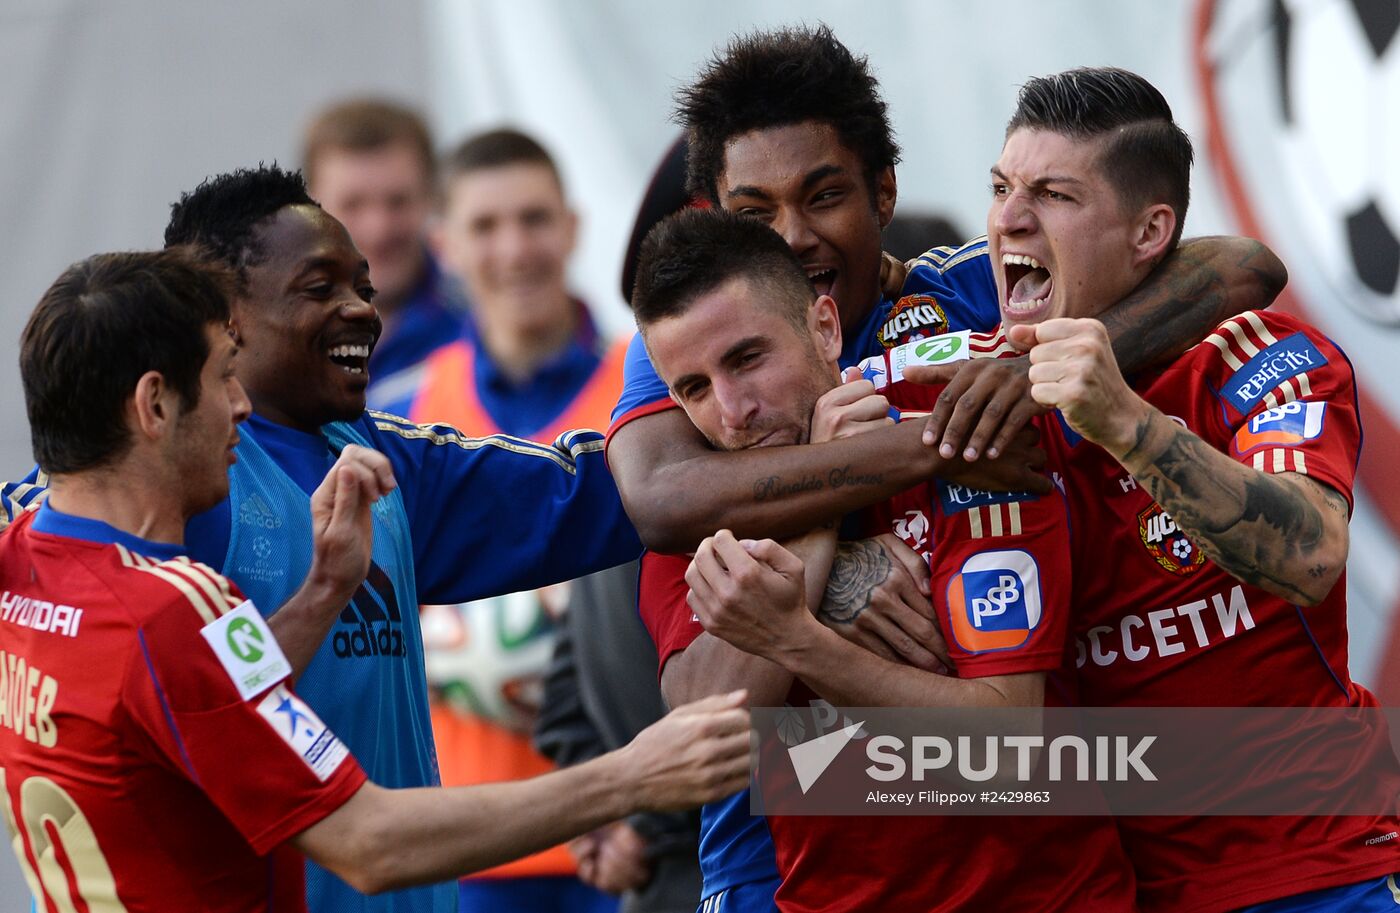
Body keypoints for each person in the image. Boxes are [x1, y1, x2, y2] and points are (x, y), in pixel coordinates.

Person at [614, 24, 1287, 912]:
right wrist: (849, 494)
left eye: (823, 196)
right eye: (754, 213)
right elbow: (663, 502)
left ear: (883, 191)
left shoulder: (975, 298)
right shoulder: (704, 370)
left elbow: (1240, 265)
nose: (791, 239)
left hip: (1043, 862)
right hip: (777, 866)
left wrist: (1024, 389)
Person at [0, 248, 749, 913]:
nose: (241, 403)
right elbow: (369, 844)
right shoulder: (174, 604)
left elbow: (198, 702)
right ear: (154, 404)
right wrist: (633, 778)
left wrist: (325, 589)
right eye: (225, 375)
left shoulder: (20, 554)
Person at [631, 207, 1137, 912]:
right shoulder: (702, 514)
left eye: (747, 358)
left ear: (825, 327)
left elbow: (1006, 746)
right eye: (693, 388)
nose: (732, 409)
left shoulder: (959, 436)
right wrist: (820, 507)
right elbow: (712, 727)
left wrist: (793, 637)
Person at [979, 67, 1400, 913]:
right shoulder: (985, 381)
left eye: (1054, 194)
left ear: (1150, 232)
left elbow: (1311, 552)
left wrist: (1125, 422)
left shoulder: (1257, 358)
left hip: (1311, 868)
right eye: (1000, 188)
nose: (1010, 218)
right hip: (1113, 889)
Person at [383, 128, 630, 913]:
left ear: (573, 227)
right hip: (465, 837)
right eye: (486, 226)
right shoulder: (397, 409)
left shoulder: (651, 386)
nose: (515, 247)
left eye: (534, 219)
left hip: (629, 832)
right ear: (444, 244)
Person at [303, 98, 469, 407]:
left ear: (432, 198)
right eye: (353, 204)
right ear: (310, 207)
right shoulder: (264, 335)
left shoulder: (482, 330)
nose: (378, 230)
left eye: (397, 201)